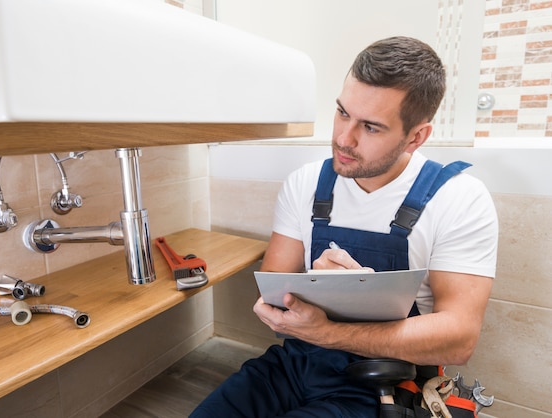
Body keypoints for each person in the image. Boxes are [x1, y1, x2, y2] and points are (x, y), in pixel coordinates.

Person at [190, 36, 498, 417]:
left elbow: (459, 340)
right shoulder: (306, 183)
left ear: (415, 137)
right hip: (293, 366)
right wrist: (319, 289)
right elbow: (273, 289)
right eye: (342, 112)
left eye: (370, 127)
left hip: (383, 383)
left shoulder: (459, 199)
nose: (342, 138)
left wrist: (333, 326)